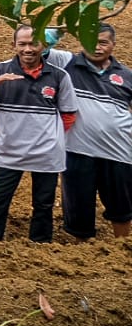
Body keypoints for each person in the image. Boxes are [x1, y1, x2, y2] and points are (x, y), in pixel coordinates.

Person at [0, 26, 78, 243]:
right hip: (9, 152)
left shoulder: (60, 76)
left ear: (43, 45)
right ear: (13, 45)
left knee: (43, 204)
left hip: (48, 154)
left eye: (33, 43)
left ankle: (40, 246)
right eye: (22, 44)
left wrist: (53, 138)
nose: (28, 49)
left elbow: (68, 114)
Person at [50, 24, 132, 240]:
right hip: (77, 150)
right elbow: (39, 45)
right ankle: (83, 255)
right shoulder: (66, 63)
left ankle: (121, 248)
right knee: (78, 205)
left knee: (122, 207)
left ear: (113, 45)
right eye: (89, 39)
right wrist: (63, 28)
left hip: (120, 152)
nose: (96, 46)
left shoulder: (126, 75)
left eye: (103, 42)